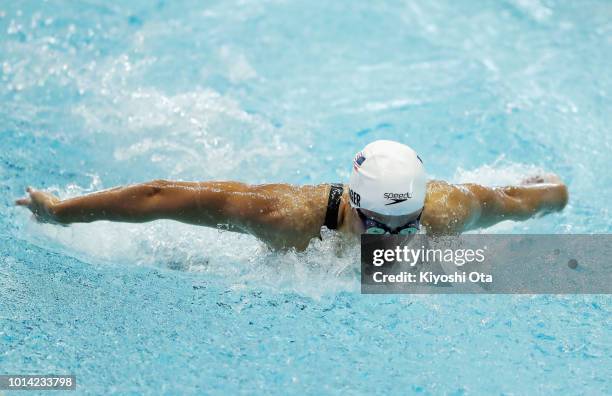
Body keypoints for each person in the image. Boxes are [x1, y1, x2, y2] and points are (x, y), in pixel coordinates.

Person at [15, 140, 568, 251]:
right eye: (382, 226)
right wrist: (62, 213)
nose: (396, 243)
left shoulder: (448, 211)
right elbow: (164, 196)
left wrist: (556, 194)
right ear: (352, 204)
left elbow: (522, 200)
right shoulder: (284, 217)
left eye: (409, 226)